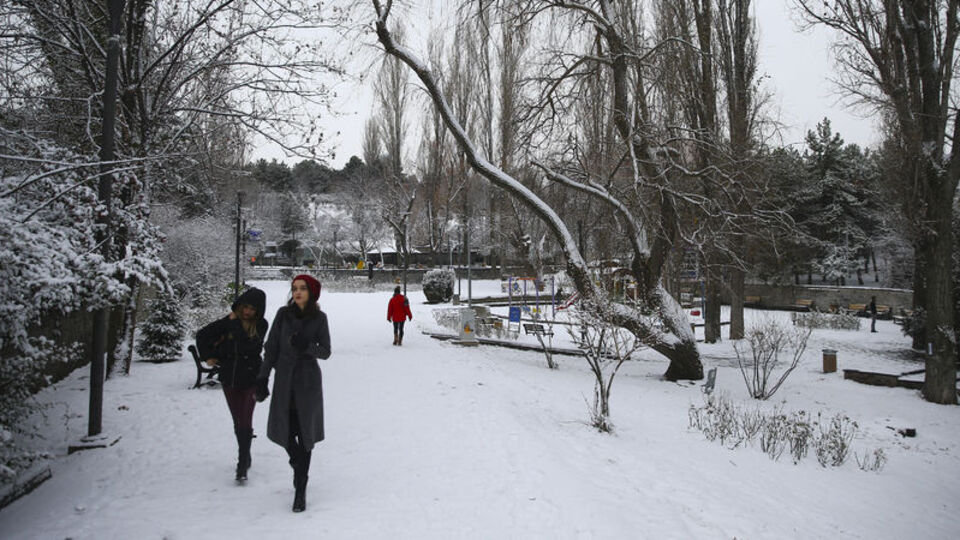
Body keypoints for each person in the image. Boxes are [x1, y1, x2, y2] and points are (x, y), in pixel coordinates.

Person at [256, 274, 330, 512]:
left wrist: (306, 347)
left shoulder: (319, 318)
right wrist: (262, 377)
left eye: (302, 288)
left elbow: (326, 351)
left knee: (305, 434)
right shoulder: (282, 315)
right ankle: (296, 459)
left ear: (312, 293)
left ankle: (300, 488)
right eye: (294, 288)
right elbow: (271, 348)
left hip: (308, 384)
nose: (297, 292)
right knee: (285, 430)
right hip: (285, 381)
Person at [195, 287, 268, 483]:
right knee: (237, 420)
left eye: (252, 309)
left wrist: (232, 323)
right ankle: (246, 451)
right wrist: (209, 356)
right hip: (230, 378)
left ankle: (242, 463)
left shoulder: (261, 325)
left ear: (258, 310)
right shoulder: (228, 322)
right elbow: (202, 335)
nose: (247, 312)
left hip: (252, 377)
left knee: (245, 418)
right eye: (244, 307)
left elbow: (248, 346)